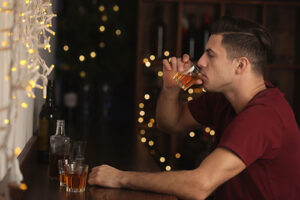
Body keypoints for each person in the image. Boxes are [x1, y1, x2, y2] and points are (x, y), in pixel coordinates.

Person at [88, 16, 300, 200]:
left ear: (240, 65)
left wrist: (120, 178)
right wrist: (171, 90)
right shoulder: (223, 98)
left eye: (211, 55)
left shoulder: (264, 115)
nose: (200, 61)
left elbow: (199, 185)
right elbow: (170, 123)